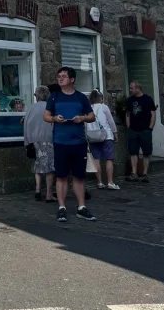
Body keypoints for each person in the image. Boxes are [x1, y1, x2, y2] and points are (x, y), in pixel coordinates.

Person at [43, 66, 96, 222]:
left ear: (72, 79)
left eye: (64, 76)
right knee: (61, 176)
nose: (60, 78)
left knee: (79, 176)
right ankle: (62, 207)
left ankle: (81, 207)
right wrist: (54, 119)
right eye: (59, 76)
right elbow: (46, 116)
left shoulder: (81, 97)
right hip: (60, 142)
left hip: (78, 142)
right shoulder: (54, 97)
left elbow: (91, 116)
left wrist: (82, 118)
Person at [22, 86, 55, 201]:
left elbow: (26, 125)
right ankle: (49, 194)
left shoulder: (31, 108)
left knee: (38, 165)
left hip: (34, 140)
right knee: (49, 167)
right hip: (48, 139)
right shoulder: (50, 107)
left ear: (37, 96)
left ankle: (37, 190)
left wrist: (27, 141)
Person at [125, 80, 157, 182]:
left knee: (146, 152)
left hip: (145, 129)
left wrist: (150, 128)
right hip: (133, 129)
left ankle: (145, 174)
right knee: (133, 152)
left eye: (132, 88)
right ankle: (134, 173)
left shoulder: (148, 99)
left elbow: (153, 114)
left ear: (138, 89)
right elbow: (128, 114)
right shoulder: (130, 100)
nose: (130, 90)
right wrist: (128, 126)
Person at [88, 89, 119, 189]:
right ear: (100, 98)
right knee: (108, 159)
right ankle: (110, 182)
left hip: (92, 136)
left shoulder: (88, 108)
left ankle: (100, 182)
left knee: (96, 159)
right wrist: (115, 132)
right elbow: (110, 121)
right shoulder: (104, 107)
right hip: (106, 135)